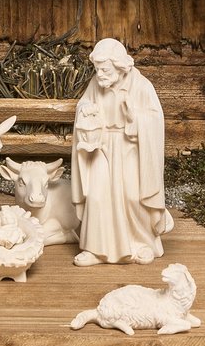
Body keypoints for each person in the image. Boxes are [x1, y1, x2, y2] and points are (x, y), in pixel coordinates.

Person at [70, 39, 175, 266]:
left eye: (105, 70)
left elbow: (155, 119)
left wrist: (134, 117)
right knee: (96, 196)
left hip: (130, 149)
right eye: (97, 69)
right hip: (100, 147)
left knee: (133, 197)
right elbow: (82, 105)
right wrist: (86, 110)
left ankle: (143, 243)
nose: (100, 74)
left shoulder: (141, 86)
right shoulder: (96, 84)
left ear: (119, 67)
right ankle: (96, 249)